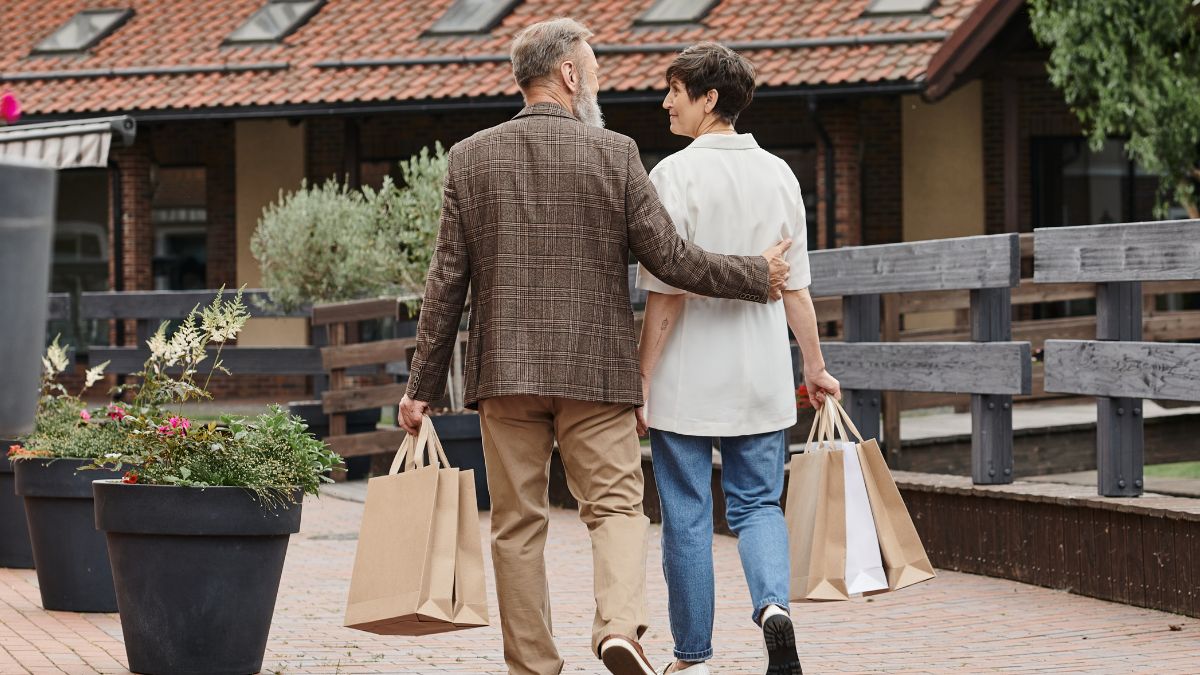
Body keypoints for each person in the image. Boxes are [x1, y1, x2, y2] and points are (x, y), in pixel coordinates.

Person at [397, 19, 794, 675]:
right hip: (597, 373)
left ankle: (533, 666)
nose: (598, 86)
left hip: (506, 373)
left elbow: (446, 284)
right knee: (614, 509)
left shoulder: (470, 158)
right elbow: (672, 260)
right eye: (596, 72)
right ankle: (617, 627)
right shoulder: (615, 154)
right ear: (570, 75)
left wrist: (421, 389)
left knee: (517, 524)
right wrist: (756, 273)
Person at [635, 42, 841, 675]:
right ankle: (774, 609)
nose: (665, 102)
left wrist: (641, 379)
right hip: (759, 375)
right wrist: (813, 365)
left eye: (674, 90)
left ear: (709, 97)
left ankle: (692, 657)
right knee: (758, 505)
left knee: (688, 516)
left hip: (684, 381)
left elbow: (666, 297)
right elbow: (798, 287)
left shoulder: (672, 174)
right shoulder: (779, 173)